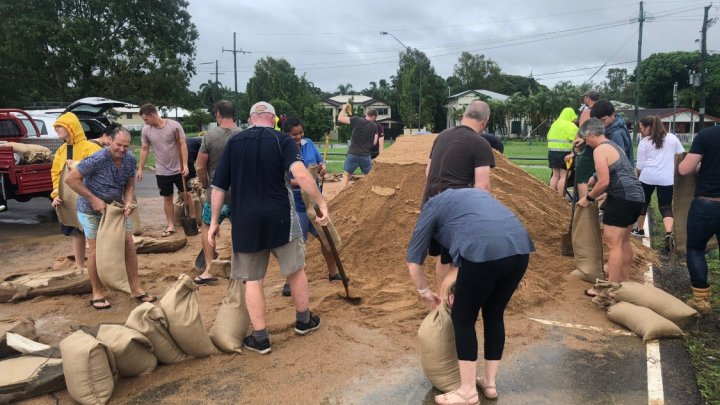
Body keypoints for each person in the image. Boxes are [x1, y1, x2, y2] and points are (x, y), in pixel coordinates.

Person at [208, 102, 329, 355]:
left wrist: (214, 222)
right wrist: (320, 203)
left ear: (251, 118)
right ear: (273, 119)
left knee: (253, 279)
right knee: (295, 269)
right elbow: (302, 174)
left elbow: (218, 187)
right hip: (281, 217)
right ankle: (304, 320)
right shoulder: (282, 141)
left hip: (246, 221)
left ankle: (261, 338)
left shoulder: (235, 143)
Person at [406, 188, 534, 404]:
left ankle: (467, 392)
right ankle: (490, 384)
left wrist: (425, 292)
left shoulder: (430, 208)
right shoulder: (469, 200)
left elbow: (413, 262)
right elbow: (459, 259)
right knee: (494, 314)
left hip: (484, 251)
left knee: (463, 318)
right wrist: (456, 289)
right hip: (519, 249)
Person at [65, 126, 156, 309]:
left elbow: (129, 186)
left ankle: (135, 288)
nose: (122, 149)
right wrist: (94, 199)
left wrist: (128, 202)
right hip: (90, 210)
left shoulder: (129, 159)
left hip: (115, 209)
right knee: (95, 249)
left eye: (126, 146)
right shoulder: (97, 158)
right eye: (119, 145)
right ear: (110, 141)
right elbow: (71, 179)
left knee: (128, 244)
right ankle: (97, 292)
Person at [424, 100, 495, 287]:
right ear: (485, 121)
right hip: (455, 210)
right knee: (458, 261)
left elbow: (428, 172)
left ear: (464, 115)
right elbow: (482, 186)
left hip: (431, 204)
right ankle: (450, 306)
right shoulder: (480, 144)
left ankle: (442, 301)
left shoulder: (442, 136)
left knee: (444, 258)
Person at [576, 118, 644, 297]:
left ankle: (609, 289)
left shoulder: (600, 150)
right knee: (623, 241)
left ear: (591, 134)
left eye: (586, 138)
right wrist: (608, 193)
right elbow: (621, 173)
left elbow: (604, 181)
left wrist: (588, 198)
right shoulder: (613, 145)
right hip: (635, 197)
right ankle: (623, 282)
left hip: (623, 198)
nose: (586, 143)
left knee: (613, 244)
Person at [280, 117, 339, 297]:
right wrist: (298, 182)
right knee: (298, 243)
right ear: (286, 134)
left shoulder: (310, 145)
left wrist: (322, 168)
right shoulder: (281, 150)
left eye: (300, 133)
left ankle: (333, 272)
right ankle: (290, 281)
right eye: (293, 134)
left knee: (325, 238)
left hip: (314, 202)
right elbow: (281, 179)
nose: (298, 137)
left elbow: (320, 163)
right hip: (296, 204)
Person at [194, 100, 241, 285]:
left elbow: (199, 166)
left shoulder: (210, 136)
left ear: (218, 115)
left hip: (215, 194)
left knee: (207, 227)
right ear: (233, 114)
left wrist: (206, 184)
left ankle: (208, 270)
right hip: (239, 195)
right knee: (240, 229)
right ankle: (241, 269)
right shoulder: (243, 135)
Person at [50, 112, 102, 271]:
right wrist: (56, 194)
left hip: (88, 196)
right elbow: (55, 174)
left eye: (60, 126)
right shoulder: (60, 151)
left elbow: (100, 171)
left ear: (71, 127)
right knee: (76, 233)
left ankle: (100, 267)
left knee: (94, 234)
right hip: (68, 199)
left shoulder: (91, 147)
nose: (57, 129)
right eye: (56, 126)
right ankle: (79, 266)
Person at [136, 103, 196, 237]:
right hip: (162, 171)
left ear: (153, 115)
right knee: (167, 198)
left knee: (187, 195)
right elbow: (144, 149)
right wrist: (140, 169)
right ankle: (170, 226)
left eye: (146, 119)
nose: (145, 122)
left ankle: (193, 221)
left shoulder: (174, 126)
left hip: (179, 169)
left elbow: (183, 145)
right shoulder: (146, 130)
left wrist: (185, 165)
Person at [678, 125, 720, 315]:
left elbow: (685, 169)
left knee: (695, 248)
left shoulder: (707, 135)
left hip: (707, 203)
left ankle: (701, 300)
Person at [631, 116, 684, 250]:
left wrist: (639, 178)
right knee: (666, 206)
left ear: (649, 127)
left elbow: (640, 166)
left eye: (642, 128)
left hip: (647, 177)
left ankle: (639, 229)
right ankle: (668, 233)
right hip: (666, 178)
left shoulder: (644, 142)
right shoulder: (672, 138)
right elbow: (681, 155)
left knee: (643, 203)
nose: (641, 131)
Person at [336, 105, 378, 189]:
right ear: (373, 117)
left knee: (346, 175)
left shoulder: (357, 120)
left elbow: (340, 118)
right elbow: (374, 142)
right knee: (369, 176)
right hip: (365, 156)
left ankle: (340, 196)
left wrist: (344, 108)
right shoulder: (374, 126)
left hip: (352, 154)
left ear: (367, 114)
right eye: (375, 118)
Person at [590, 100, 633, 166]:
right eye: (598, 122)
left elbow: (619, 163)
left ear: (612, 114)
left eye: (603, 120)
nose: (601, 124)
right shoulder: (612, 127)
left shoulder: (616, 134)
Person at [574, 89, 600, 198]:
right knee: (597, 175)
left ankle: (584, 204)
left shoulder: (587, 112)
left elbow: (581, 131)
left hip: (588, 147)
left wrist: (575, 147)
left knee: (582, 177)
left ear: (588, 98)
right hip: (601, 146)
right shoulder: (601, 111)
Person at [547, 107, 578, 197]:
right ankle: (560, 199)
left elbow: (548, 136)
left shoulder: (554, 124)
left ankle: (552, 197)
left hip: (552, 153)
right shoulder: (571, 126)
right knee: (564, 177)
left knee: (555, 176)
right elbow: (577, 140)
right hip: (565, 154)